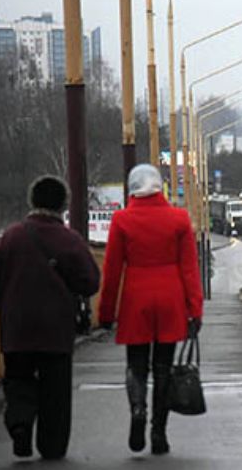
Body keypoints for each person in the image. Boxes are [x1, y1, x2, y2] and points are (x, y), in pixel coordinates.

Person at [0, 175, 100, 460]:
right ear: (63, 204)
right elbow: (90, 281)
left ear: (33, 201)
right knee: (56, 390)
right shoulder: (70, 240)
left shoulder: (13, 236)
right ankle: (52, 445)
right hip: (56, 330)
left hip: (17, 328)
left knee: (18, 379)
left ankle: (20, 424)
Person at [98, 164, 203, 455]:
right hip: (171, 300)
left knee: (136, 364)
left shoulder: (121, 220)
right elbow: (190, 270)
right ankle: (159, 431)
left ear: (132, 188)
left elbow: (112, 270)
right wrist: (195, 310)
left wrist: (106, 313)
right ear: (160, 187)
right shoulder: (179, 219)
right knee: (164, 369)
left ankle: (138, 410)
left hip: (135, 300)